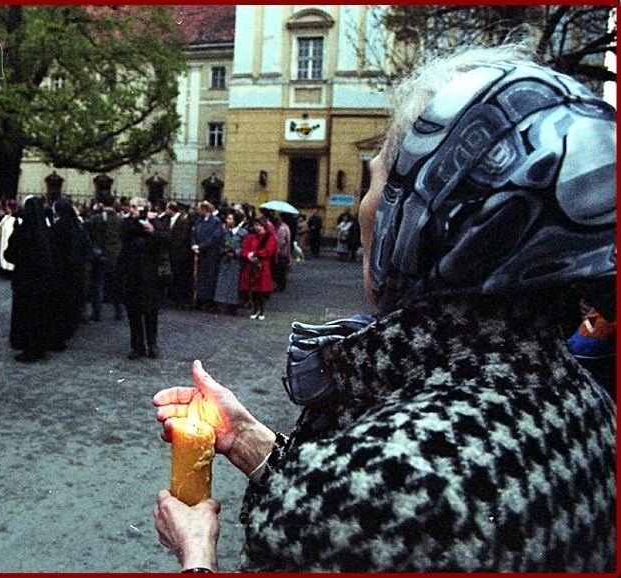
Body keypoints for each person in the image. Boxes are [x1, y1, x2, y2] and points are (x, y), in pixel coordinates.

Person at [152, 43, 616, 572]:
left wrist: (196, 554)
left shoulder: (386, 485)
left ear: (424, 214)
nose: (370, 203)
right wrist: (252, 442)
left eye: (379, 181)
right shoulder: (586, 398)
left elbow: (373, 505)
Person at [4, 195, 56, 362]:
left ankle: (29, 349)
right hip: (43, 281)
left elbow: (10, 254)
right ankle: (40, 346)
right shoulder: (47, 230)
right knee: (40, 314)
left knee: (27, 315)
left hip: (25, 280)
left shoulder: (23, 230)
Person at [119, 196, 168, 359]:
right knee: (133, 313)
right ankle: (137, 346)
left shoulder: (155, 224)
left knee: (150, 312)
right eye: (130, 207)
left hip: (150, 276)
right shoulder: (128, 223)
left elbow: (164, 242)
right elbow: (126, 234)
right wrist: (141, 222)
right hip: (131, 274)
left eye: (134, 207)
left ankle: (152, 344)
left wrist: (153, 231)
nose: (130, 209)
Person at [238, 216, 277, 320]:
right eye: (255, 225)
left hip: (262, 266)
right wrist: (248, 255)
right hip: (251, 265)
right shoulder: (250, 237)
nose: (256, 227)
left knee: (262, 290)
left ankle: (262, 310)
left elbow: (268, 251)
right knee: (253, 289)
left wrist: (255, 253)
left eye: (258, 225)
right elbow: (244, 249)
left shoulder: (270, 237)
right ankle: (255, 309)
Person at [212, 210, 247, 315]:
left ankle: (233, 304)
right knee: (222, 281)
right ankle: (220, 303)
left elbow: (245, 246)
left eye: (230, 219)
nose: (227, 221)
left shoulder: (243, 233)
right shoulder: (225, 232)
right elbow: (219, 245)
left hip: (236, 261)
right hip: (225, 260)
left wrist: (236, 253)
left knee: (234, 283)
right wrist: (224, 251)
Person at [190, 201, 223, 311]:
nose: (197, 211)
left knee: (209, 278)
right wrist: (194, 244)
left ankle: (208, 301)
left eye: (199, 209)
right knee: (199, 277)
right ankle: (198, 298)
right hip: (199, 253)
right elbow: (193, 234)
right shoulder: (198, 221)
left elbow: (214, 238)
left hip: (210, 254)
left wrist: (201, 246)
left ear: (204, 210)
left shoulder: (215, 222)